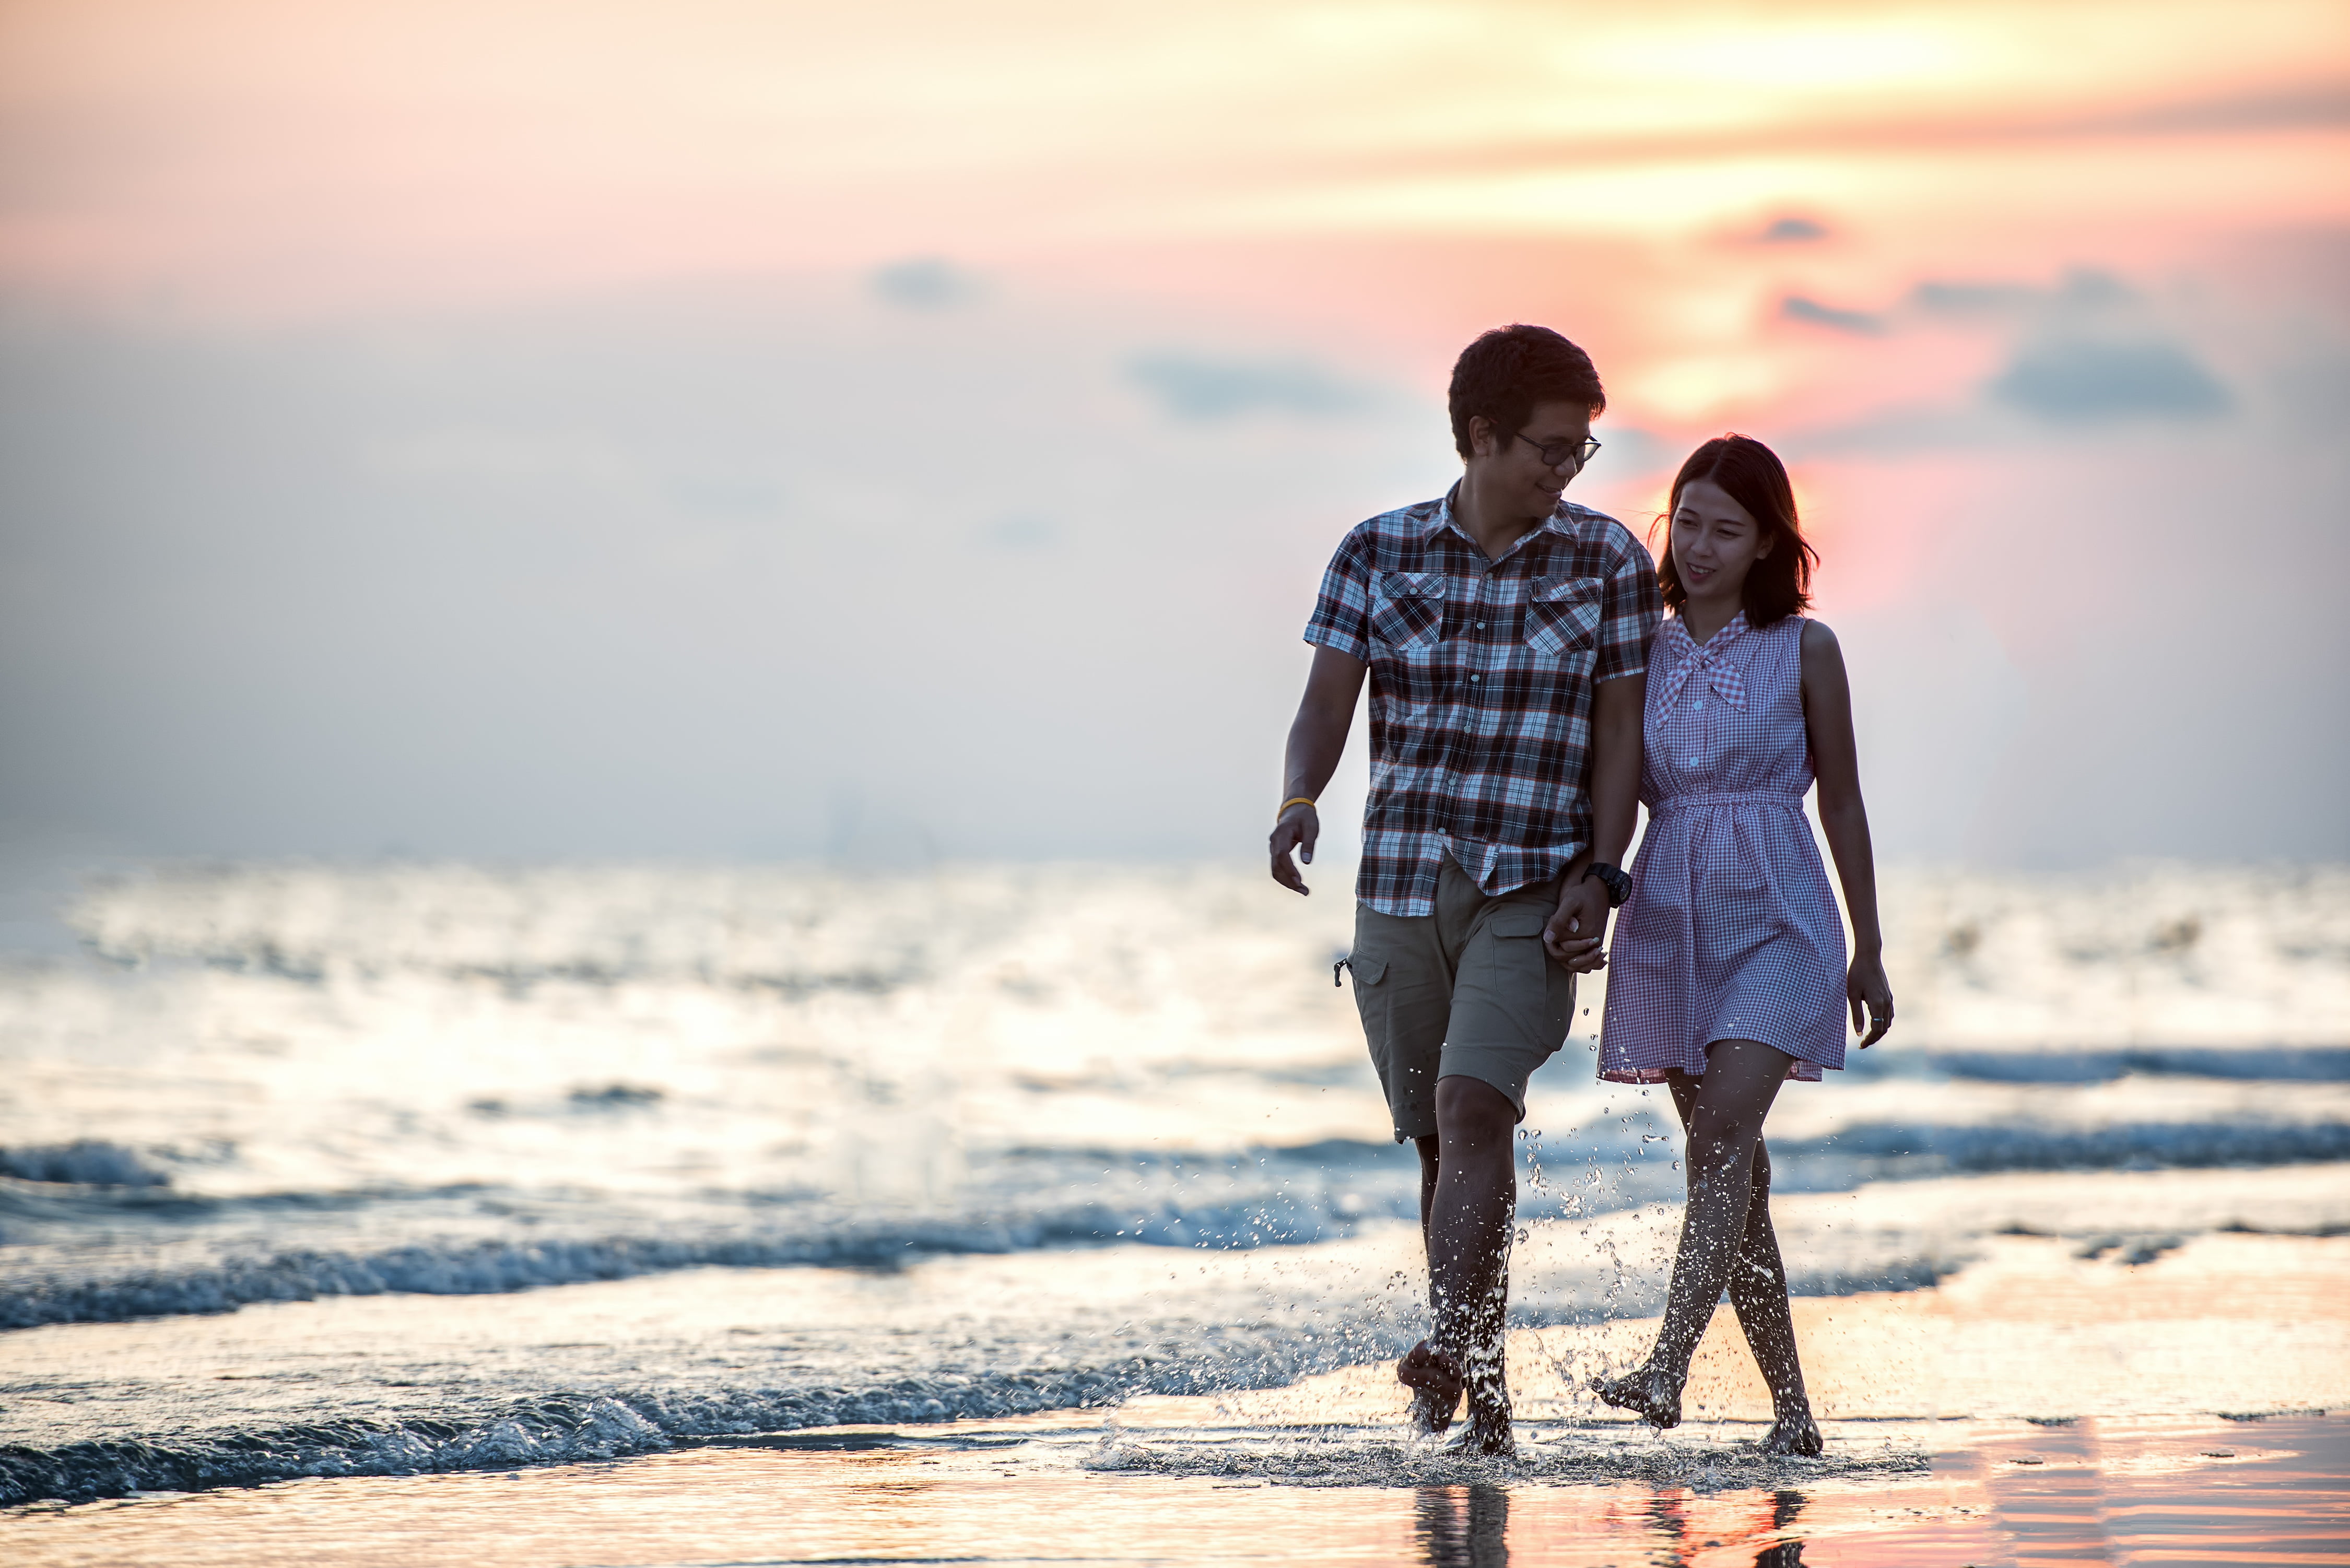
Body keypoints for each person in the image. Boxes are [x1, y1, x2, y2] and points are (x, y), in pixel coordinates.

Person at [1268, 324, 1660, 1455]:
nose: (1568, 469)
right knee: (1442, 1146)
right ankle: (1481, 1394)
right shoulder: (1376, 553)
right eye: (1549, 448)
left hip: (1533, 885)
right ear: (1482, 437)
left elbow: (1621, 736)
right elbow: (1325, 704)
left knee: (1475, 1105)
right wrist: (1300, 798)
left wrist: (1602, 868)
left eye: (1583, 451)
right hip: (1400, 880)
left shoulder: (1605, 562)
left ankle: (1448, 1345)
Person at [1589, 433, 1895, 1456]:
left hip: (1781, 918)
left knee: (1719, 1143)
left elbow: (1844, 798)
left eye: (1731, 528)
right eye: (1689, 522)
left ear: (1770, 541)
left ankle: (1667, 1367)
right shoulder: (1640, 644)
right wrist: (1582, 893)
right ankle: (1794, 1415)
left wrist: (1870, 945)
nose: (1705, 544)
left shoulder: (1808, 648)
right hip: (1670, 921)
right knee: (1734, 1175)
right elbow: (1612, 790)